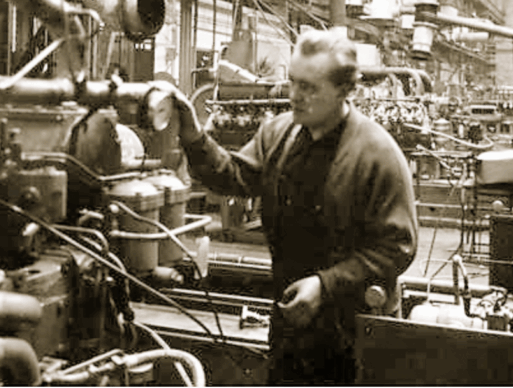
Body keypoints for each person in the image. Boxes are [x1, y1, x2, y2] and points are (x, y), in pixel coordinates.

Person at [163, 30, 418, 385]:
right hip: (291, 323)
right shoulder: (278, 134)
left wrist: (325, 285)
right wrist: (193, 136)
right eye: (293, 82)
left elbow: (397, 247)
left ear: (345, 91)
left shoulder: (378, 154)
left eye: (310, 88)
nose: (294, 96)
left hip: (354, 331)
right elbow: (234, 176)